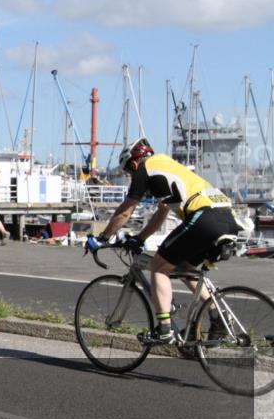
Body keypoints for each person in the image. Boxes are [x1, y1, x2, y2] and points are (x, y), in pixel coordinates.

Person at [86, 138, 242, 344]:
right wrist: (140, 238)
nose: (131, 176)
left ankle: (164, 329)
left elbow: (126, 211)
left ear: (134, 163)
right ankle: (218, 318)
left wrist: (101, 238)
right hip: (227, 219)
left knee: (159, 267)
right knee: (185, 268)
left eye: (129, 172)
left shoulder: (145, 168)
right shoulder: (166, 167)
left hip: (205, 217)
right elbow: (161, 215)